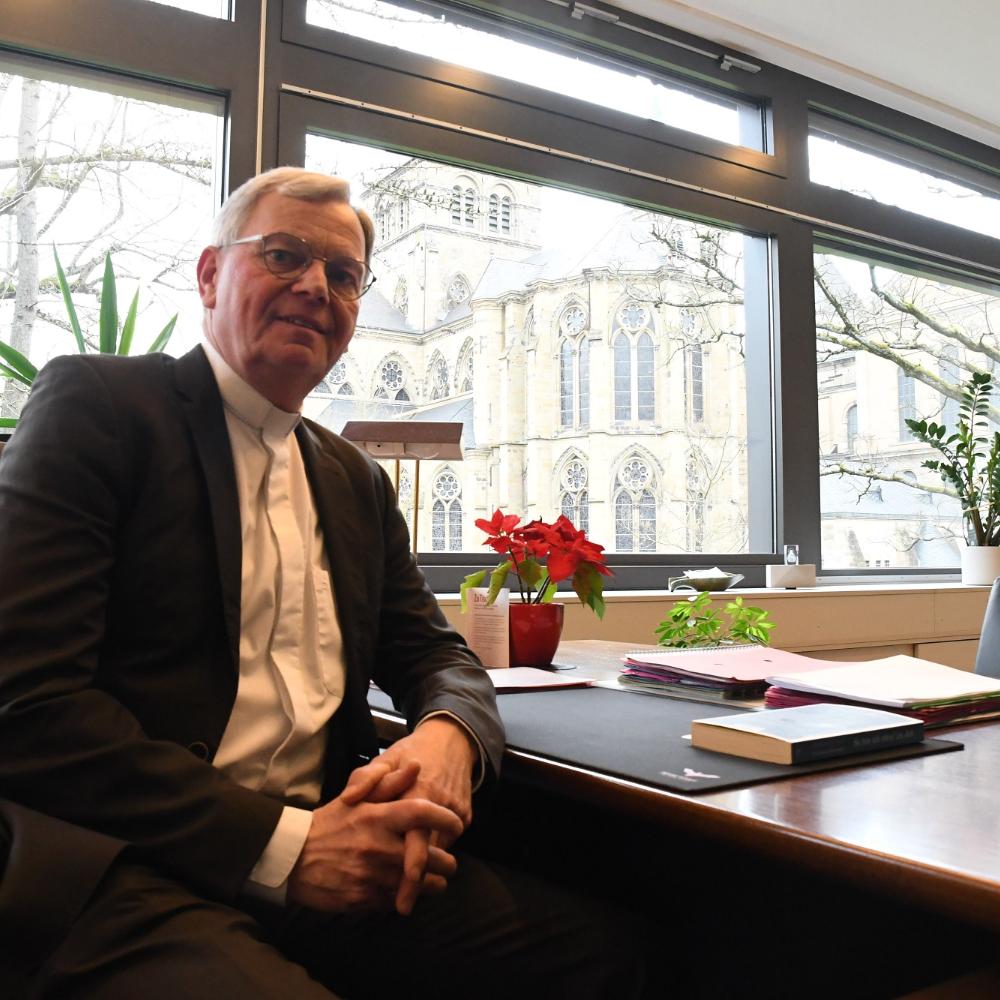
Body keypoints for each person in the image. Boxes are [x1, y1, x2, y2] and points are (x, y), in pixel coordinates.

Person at [0, 168, 644, 998]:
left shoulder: (354, 481)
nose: (315, 286)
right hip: (131, 865)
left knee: (617, 957)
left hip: (336, 849)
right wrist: (283, 846)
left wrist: (449, 734)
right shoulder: (104, 409)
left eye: (343, 275)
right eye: (282, 255)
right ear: (209, 275)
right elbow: (26, 703)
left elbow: (437, 654)